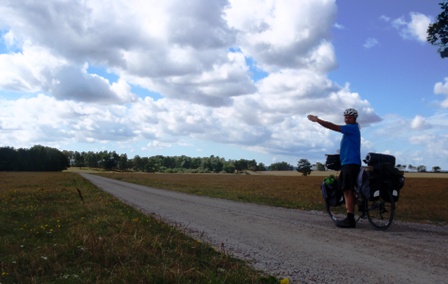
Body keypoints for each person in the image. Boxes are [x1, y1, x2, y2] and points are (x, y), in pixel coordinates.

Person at [307, 108, 361, 228]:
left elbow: (333, 126)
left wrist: (318, 120)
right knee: (348, 190)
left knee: (347, 190)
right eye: (346, 117)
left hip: (350, 164)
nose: (347, 119)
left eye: (349, 117)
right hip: (349, 163)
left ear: (354, 119)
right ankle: (352, 210)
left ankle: (350, 218)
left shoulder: (351, 128)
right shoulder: (351, 130)